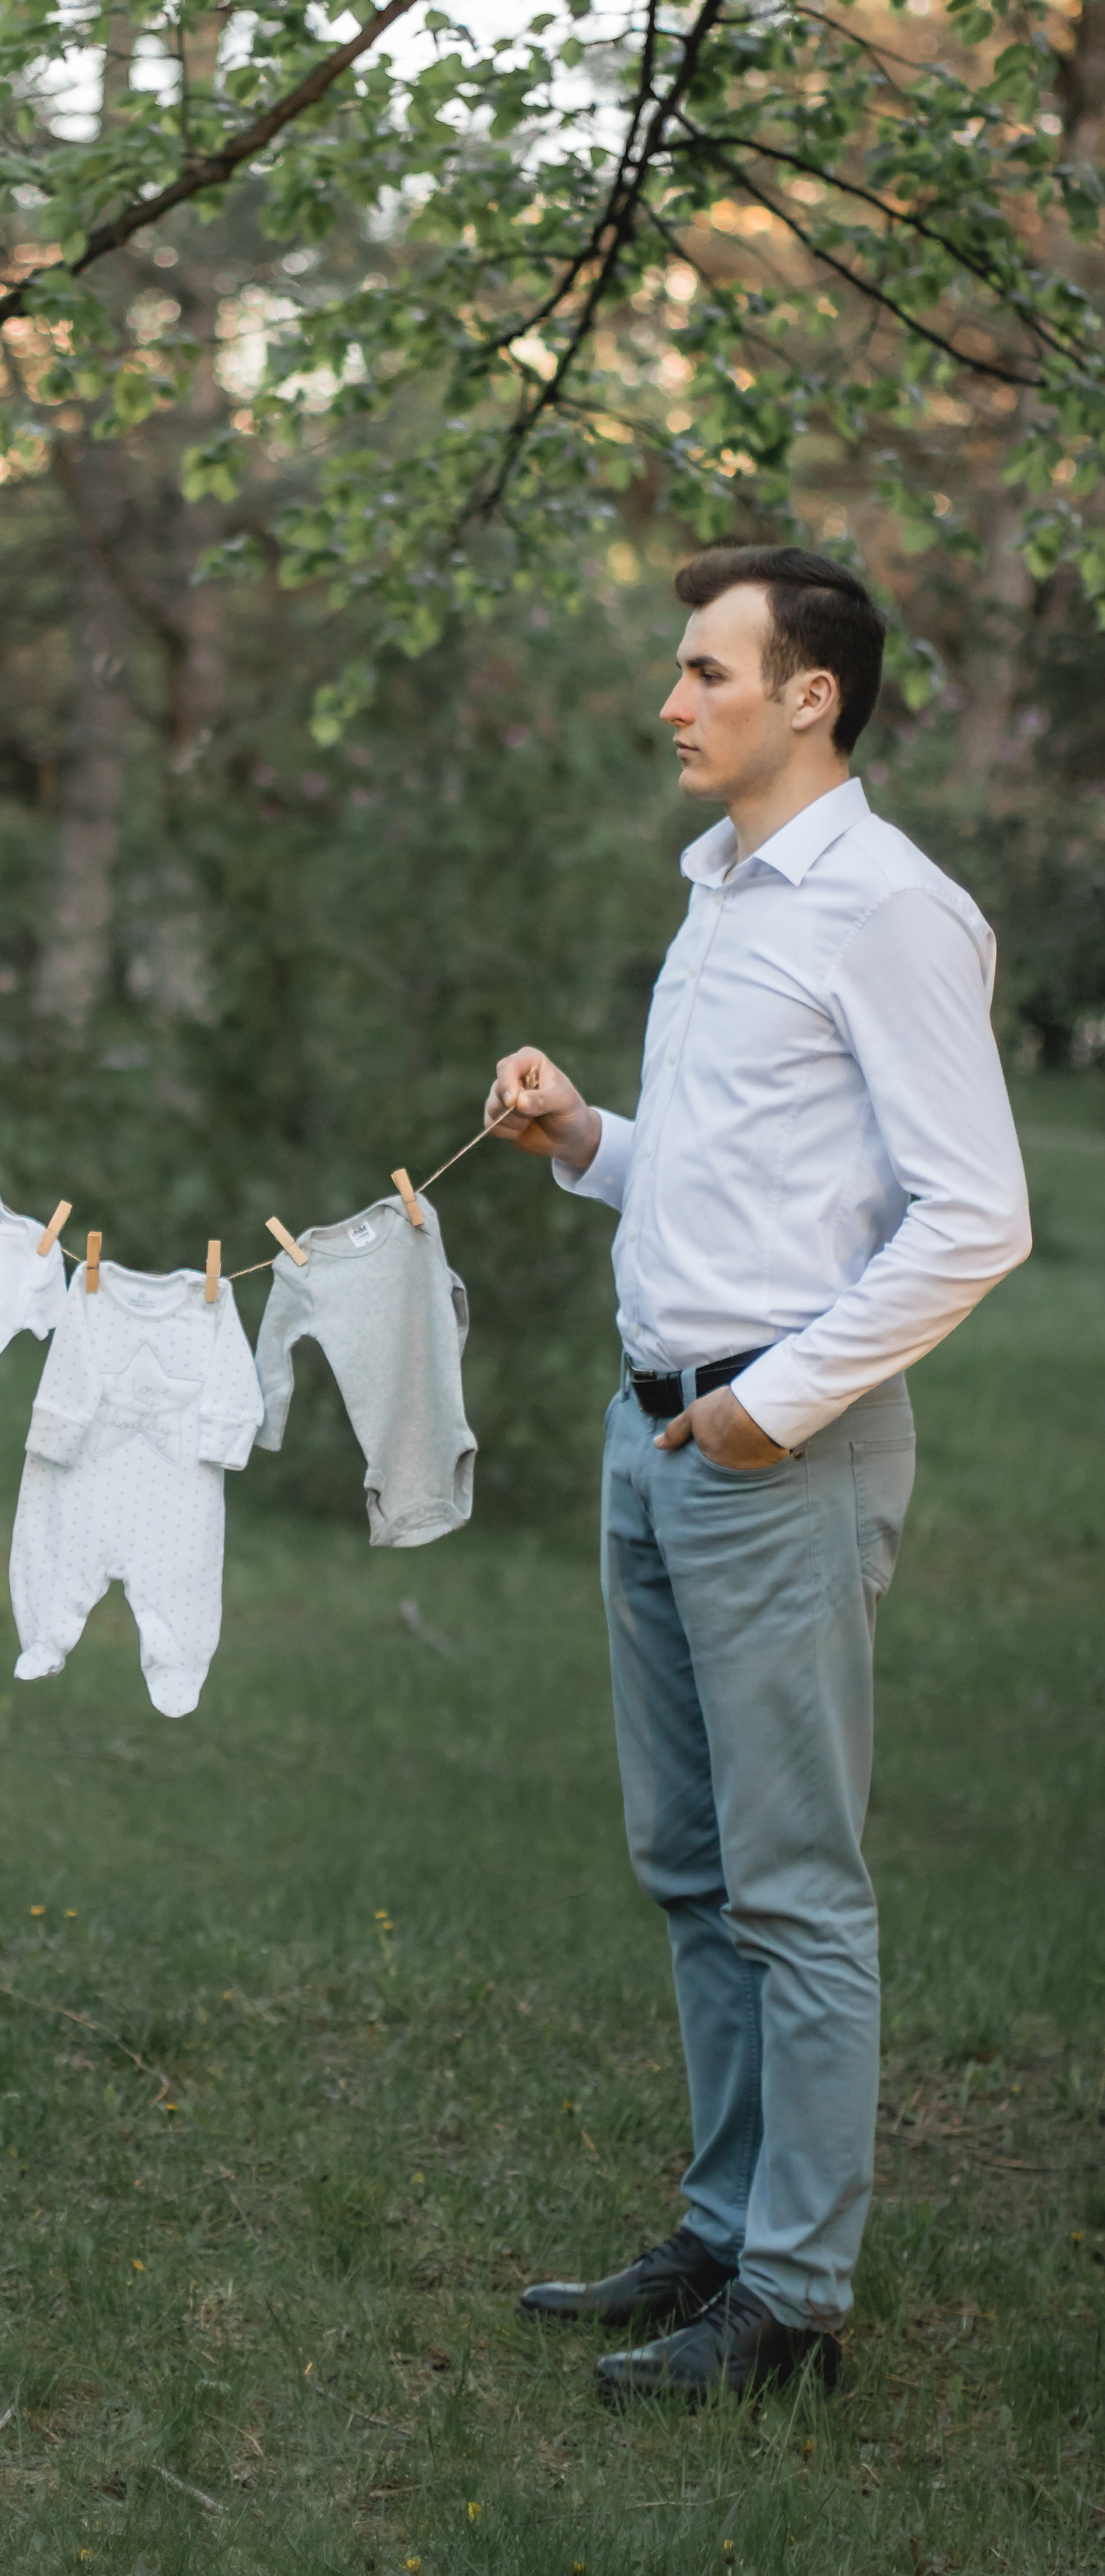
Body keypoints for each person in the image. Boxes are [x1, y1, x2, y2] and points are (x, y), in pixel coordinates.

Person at [486, 546, 1030, 2403]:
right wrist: (584, 1139)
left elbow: (974, 1221)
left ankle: (791, 2306)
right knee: (691, 1868)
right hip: (657, 1432)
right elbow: (744, 1192)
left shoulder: (885, 906)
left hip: (769, 1450)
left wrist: (767, 1408)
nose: (671, 700)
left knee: (792, 1885)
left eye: (704, 670)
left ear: (811, 695)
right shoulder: (719, 892)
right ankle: (722, 2233)